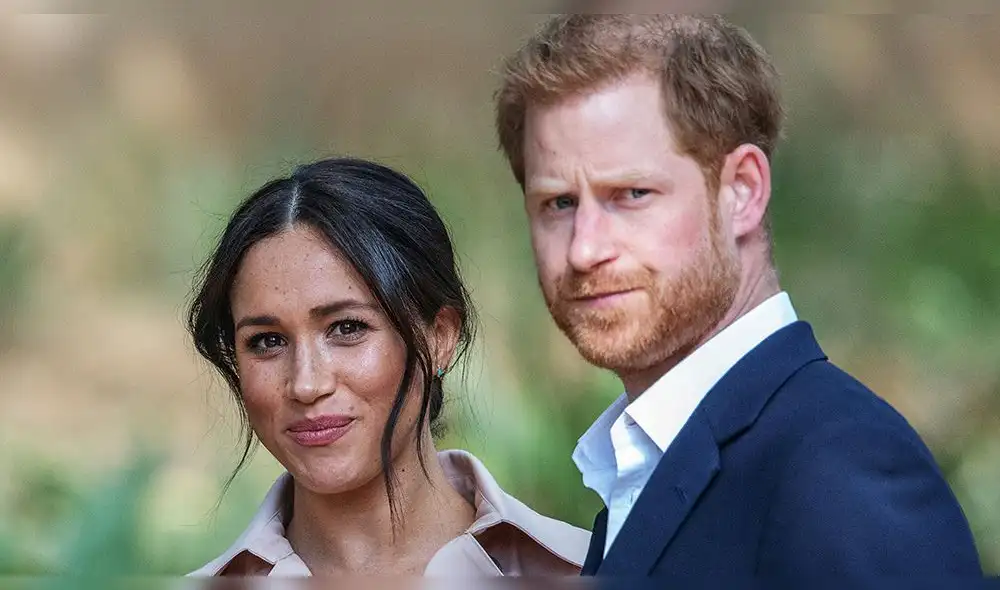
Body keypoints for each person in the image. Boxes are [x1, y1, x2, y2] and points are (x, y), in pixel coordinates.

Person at [493, 15, 982, 580]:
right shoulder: (651, 462)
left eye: (630, 194)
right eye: (558, 204)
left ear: (743, 192)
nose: (584, 250)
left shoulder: (837, 469)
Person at [186, 157, 589, 577]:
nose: (306, 384)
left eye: (347, 328)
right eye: (267, 341)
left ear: (440, 337)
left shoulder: (594, 568)